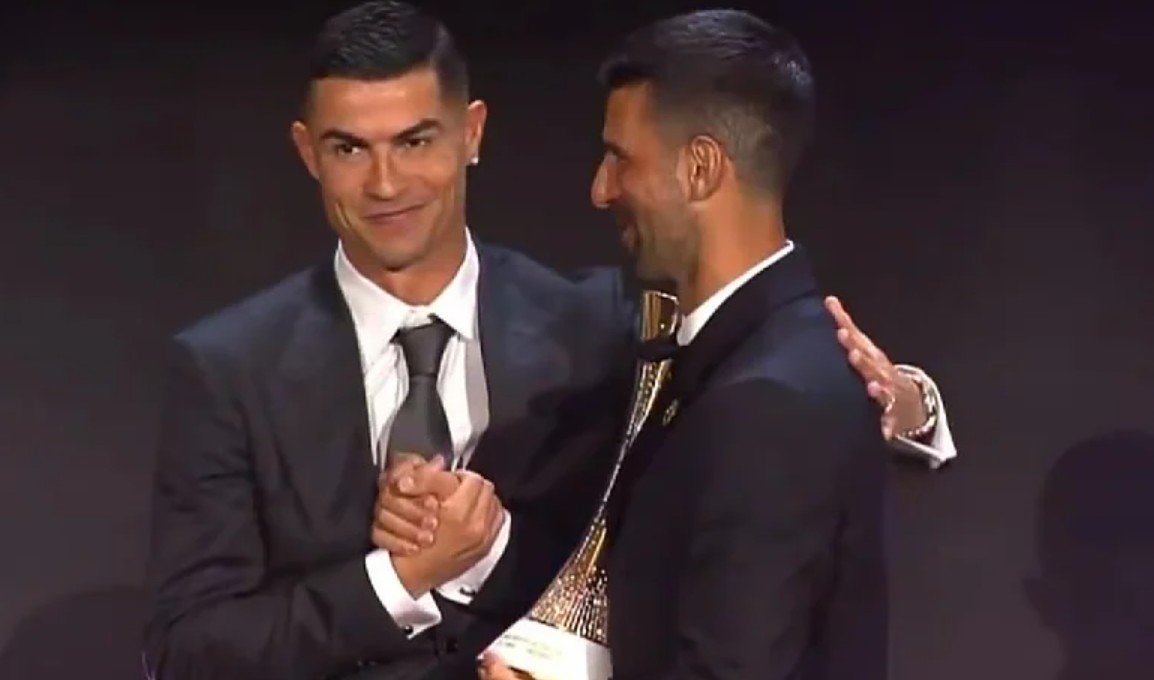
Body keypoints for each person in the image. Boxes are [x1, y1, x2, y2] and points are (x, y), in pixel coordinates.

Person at [143, 2, 951, 679]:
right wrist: (398, 579)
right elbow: (185, 650)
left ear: (472, 133)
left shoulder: (609, 324)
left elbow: (763, 389)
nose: (385, 184)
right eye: (349, 148)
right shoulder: (227, 369)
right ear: (306, 152)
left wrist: (904, 401)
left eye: (416, 141)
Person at [479, 9, 888, 680]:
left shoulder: (767, 404)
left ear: (700, 169)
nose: (600, 189)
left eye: (620, 158)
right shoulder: (728, 361)